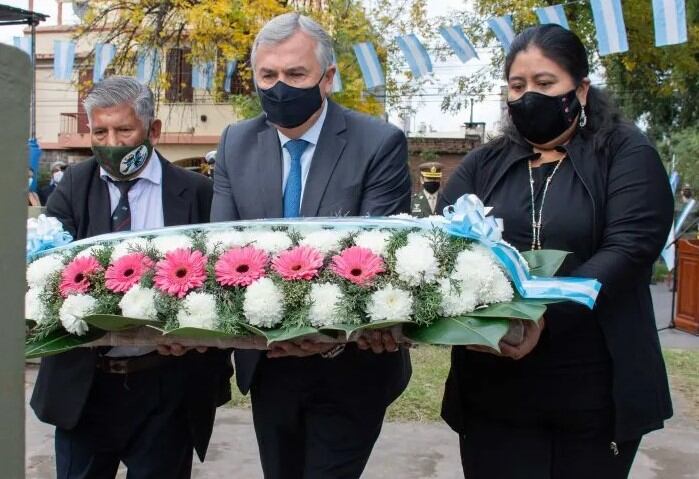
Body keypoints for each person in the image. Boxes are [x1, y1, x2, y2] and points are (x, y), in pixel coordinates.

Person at [438, 24, 673, 479]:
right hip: (494, 382)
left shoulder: (626, 153)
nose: (529, 97)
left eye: (545, 84)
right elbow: (443, 242)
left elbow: (630, 247)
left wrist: (540, 312)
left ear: (580, 89)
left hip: (593, 384)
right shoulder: (485, 162)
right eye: (517, 86)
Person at [211, 13, 412, 479]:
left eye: (295, 74)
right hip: (269, 360)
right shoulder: (234, 142)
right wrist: (275, 331)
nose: (280, 87)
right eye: (268, 75)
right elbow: (223, 249)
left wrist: (318, 336)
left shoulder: (378, 142)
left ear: (327, 78)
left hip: (351, 363)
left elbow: (372, 257)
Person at [30, 76, 233, 479]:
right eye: (100, 131)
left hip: (166, 388)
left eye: (124, 130)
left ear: (152, 131)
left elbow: (220, 282)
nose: (112, 142)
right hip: (86, 387)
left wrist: (194, 336)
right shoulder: (73, 185)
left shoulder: (195, 192)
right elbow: (46, 273)